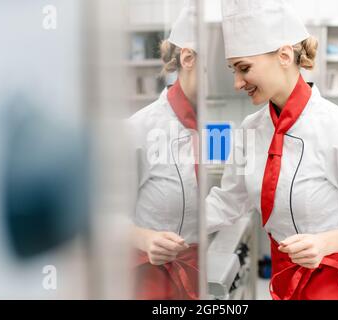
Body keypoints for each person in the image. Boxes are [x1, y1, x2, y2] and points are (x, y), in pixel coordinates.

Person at [205, 0, 338, 300]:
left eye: (244, 68)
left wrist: (323, 243)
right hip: (284, 280)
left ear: (284, 55)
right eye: (233, 70)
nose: (237, 82)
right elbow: (229, 201)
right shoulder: (249, 130)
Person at [126, 1, 199, 300]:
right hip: (153, 280)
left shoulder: (217, 126)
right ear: (188, 57)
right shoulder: (138, 129)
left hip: (200, 273)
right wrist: (146, 238)